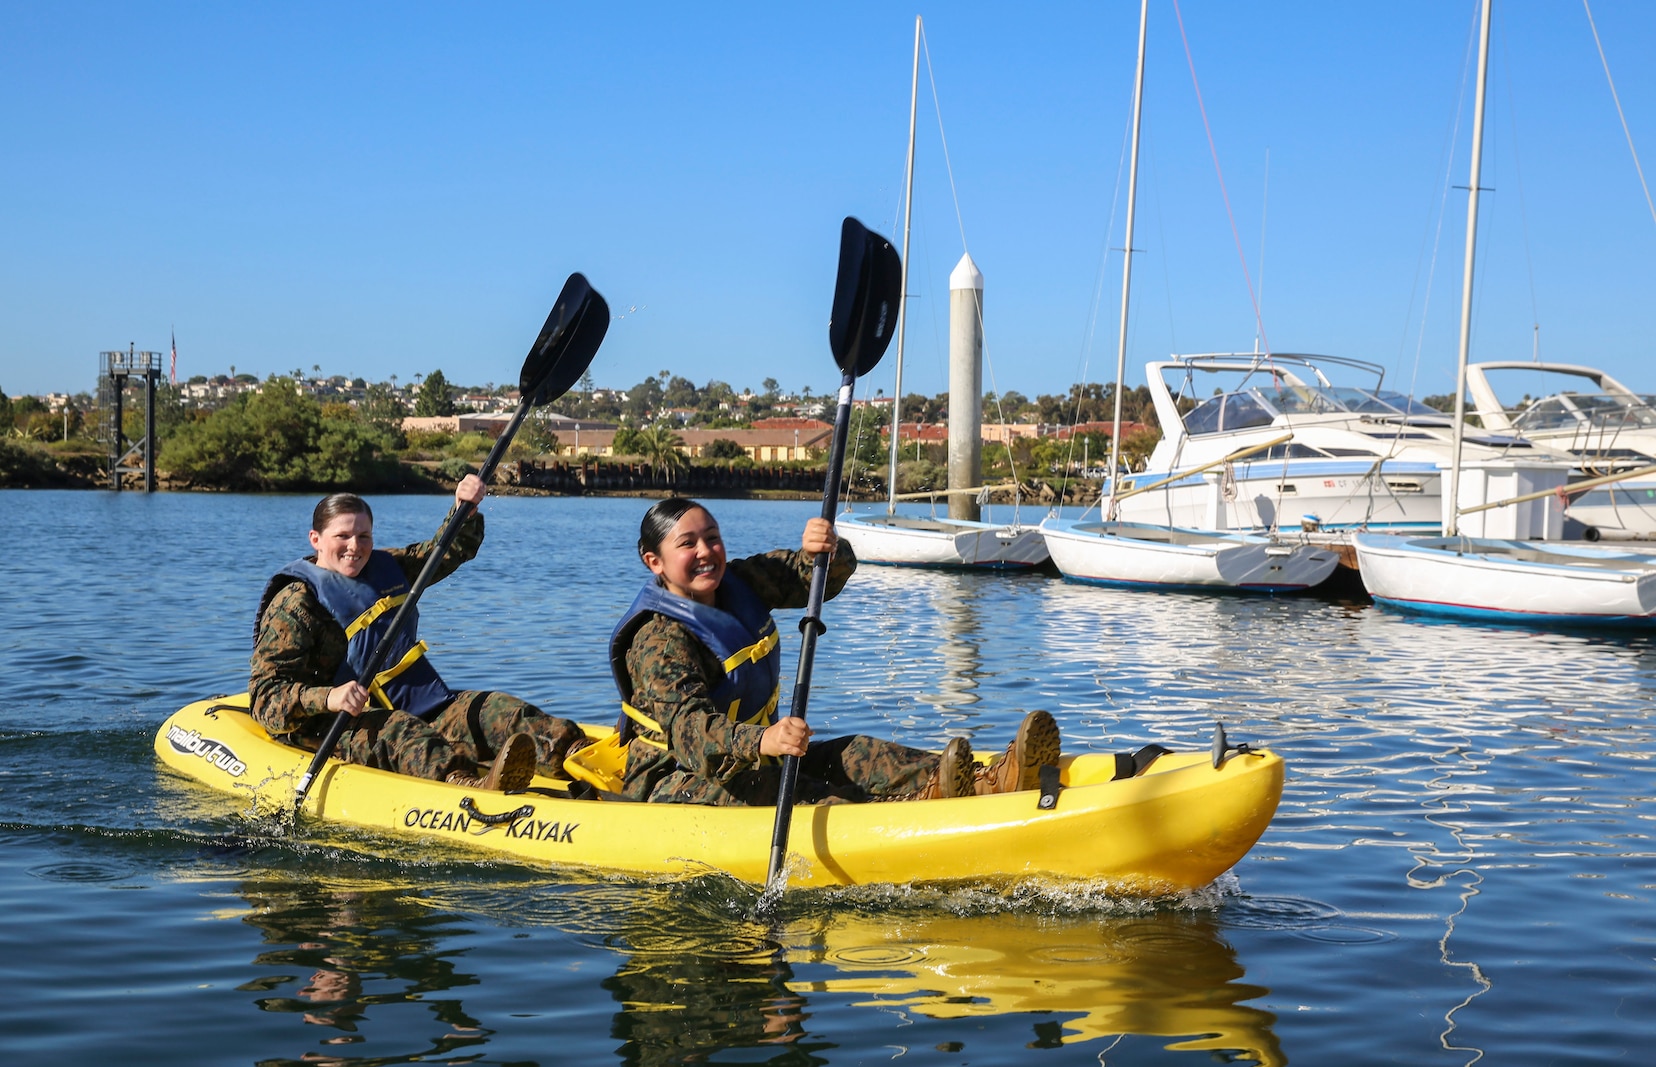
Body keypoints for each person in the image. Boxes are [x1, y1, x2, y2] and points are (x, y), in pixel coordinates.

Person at [607, 497, 1060, 805]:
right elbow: (690, 730)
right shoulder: (657, 639)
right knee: (805, 793)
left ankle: (985, 781)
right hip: (674, 777)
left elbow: (820, 576)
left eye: (713, 537)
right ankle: (924, 808)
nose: (707, 551)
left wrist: (824, 549)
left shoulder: (741, 582)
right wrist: (762, 739)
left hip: (754, 754)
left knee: (855, 753)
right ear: (655, 562)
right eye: (688, 544)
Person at [251, 474, 588, 792]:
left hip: (413, 701)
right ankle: (466, 785)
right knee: (401, 733)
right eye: (343, 536)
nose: (355, 546)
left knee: (497, 710)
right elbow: (266, 698)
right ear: (316, 539)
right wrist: (329, 697)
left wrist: (464, 509)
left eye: (364, 536)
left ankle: (579, 756)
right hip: (326, 723)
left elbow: (445, 552)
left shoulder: (385, 567)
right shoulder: (294, 605)